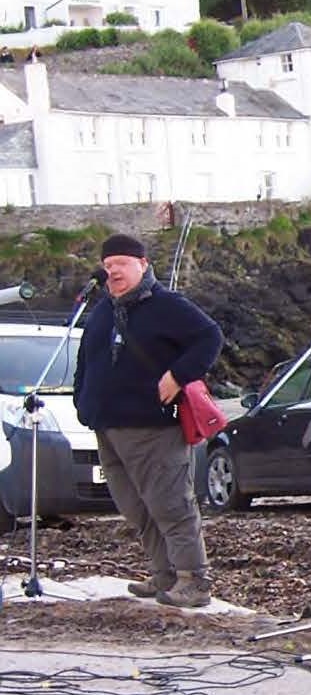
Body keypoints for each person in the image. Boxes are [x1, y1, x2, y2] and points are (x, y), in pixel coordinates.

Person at [73, 234, 223, 608]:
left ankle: (193, 579)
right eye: (108, 267)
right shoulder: (102, 310)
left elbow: (210, 336)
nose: (113, 273)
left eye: (120, 264)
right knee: (135, 507)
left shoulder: (167, 306)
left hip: (152, 424)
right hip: (106, 424)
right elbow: (85, 360)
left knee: (170, 503)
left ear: (142, 264)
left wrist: (178, 375)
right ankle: (164, 574)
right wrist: (83, 401)